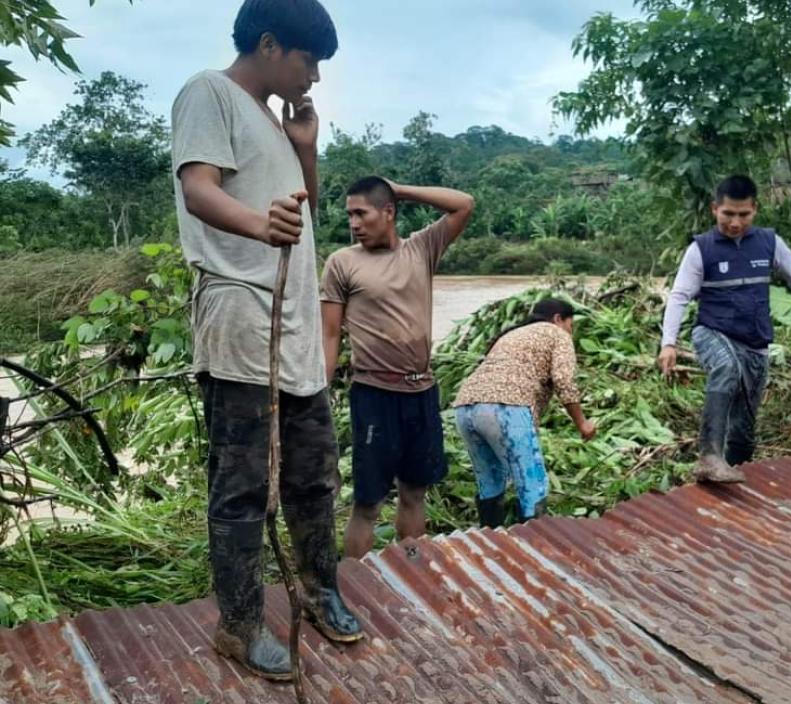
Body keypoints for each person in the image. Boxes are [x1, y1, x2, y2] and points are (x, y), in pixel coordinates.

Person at [172, 0, 360, 681]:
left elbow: (301, 215)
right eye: (308, 60)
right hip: (243, 318)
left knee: (313, 475)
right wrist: (257, 226)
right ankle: (240, 625)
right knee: (243, 485)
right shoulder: (209, 92)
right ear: (271, 44)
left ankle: (317, 589)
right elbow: (198, 190)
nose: (313, 76)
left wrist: (305, 150)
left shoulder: (278, 124)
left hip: (295, 326)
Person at [321, 176, 474, 558]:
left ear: (388, 213)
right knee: (368, 502)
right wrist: (318, 398)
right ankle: (355, 585)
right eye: (349, 215)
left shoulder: (421, 249)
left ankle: (412, 575)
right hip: (373, 396)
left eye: (361, 213)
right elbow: (328, 335)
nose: (353, 223)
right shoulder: (342, 263)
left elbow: (464, 203)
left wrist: (399, 189)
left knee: (414, 492)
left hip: (421, 392)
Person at [658, 175, 791, 483]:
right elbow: (680, 296)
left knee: (744, 427)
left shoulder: (769, 242)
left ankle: (729, 471)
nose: (735, 222)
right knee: (726, 368)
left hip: (754, 343)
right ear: (715, 209)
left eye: (743, 214)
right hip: (713, 332)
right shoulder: (701, 249)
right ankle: (709, 456)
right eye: (728, 214)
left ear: (755, 210)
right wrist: (668, 343)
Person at [453, 299, 596, 526]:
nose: (571, 331)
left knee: (489, 481)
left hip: (465, 407)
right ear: (558, 318)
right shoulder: (557, 334)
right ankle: (533, 547)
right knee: (532, 486)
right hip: (506, 408)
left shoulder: (511, 335)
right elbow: (563, 380)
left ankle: (490, 541)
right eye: (571, 325)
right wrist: (582, 423)